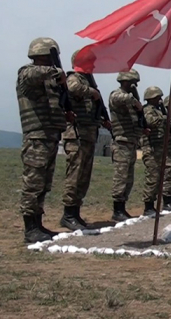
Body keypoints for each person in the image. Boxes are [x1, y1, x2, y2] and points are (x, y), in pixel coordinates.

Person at [16, 37, 68, 242]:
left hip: (50, 136)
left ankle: (38, 225)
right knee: (33, 182)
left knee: (44, 183)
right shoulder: (27, 73)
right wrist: (56, 73)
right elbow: (33, 73)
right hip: (36, 137)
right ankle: (30, 228)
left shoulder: (49, 80)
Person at [59, 50, 111, 230]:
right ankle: (68, 214)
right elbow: (72, 88)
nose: (94, 65)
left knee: (83, 177)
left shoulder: (87, 80)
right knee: (75, 174)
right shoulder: (75, 78)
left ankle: (75, 212)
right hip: (77, 134)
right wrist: (92, 92)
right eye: (91, 61)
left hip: (88, 135)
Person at [108, 69, 145, 221]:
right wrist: (135, 101)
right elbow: (119, 98)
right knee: (121, 177)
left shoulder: (130, 102)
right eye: (131, 83)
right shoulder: (117, 95)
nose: (134, 86)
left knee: (128, 179)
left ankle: (122, 207)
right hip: (121, 142)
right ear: (124, 82)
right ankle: (117, 210)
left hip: (131, 143)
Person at [141, 86, 171, 217]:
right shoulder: (147, 110)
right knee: (152, 177)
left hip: (160, 148)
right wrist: (164, 117)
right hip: (150, 148)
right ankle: (148, 206)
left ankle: (158, 203)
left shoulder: (157, 111)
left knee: (160, 177)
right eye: (158, 98)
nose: (160, 100)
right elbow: (150, 121)